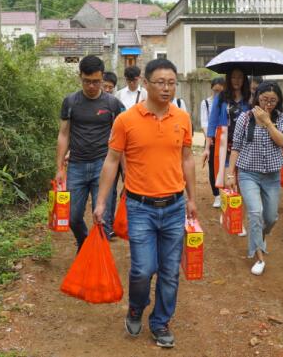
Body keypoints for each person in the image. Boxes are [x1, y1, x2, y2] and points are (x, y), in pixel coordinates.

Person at [93, 58, 197, 349]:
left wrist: (191, 198)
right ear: (146, 83)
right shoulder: (126, 120)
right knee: (142, 268)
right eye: (160, 82)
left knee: (169, 271)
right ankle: (137, 306)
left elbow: (187, 158)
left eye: (171, 82)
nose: (166, 88)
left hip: (174, 206)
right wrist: (102, 202)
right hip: (140, 207)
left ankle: (161, 321)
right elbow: (112, 161)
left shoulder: (182, 118)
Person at [55, 55, 125, 248]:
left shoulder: (113, 105)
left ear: (102, 79)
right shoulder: (70, 102)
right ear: (80, 77)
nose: (92, 86)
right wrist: (60, 167)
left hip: (103, 167)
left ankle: (96, 259)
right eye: (87, 81)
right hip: (76, 165)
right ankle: (84, 241)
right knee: (72, 216)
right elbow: (63, 135)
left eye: (96, 81)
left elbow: (123, 141)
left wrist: (126, 172)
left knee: (102, 216)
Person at [225, 81, 283, 276]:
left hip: (271, 175)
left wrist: (268, 122)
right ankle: (259, 257)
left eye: (272, 100)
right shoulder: (245, 118)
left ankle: (259, 238)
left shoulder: (280, 117)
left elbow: (281, 141)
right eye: (264, 99)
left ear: (278, 101)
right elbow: (235, 147)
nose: (268, 104)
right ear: (256, 97)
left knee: (270, 217)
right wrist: (230, 174)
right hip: (248, 173)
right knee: (255, 212)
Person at [203, 68, 250, 208]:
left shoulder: (249, 97)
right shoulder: (222, 97)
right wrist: (207, 147)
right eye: (233, 77)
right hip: (225, 142)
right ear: (228, 79)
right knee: (226, 173)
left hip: (244, 142)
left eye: (240, 77)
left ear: (244, 79)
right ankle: (229, 208)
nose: (237, 81)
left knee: (241, 174)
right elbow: (212, 122)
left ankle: (238, 205)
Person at [199, 77, 225, 207]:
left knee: (226, 166)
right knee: (213, 167)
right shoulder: (206, 103)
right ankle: (217, 196)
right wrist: (209, 138)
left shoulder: (227, 103)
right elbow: (204, 122)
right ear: (211, 89)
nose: (217, 94)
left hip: (226, 139)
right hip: (212, 139)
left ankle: (228, 193)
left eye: (220, 91)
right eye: (215, 91)